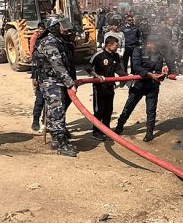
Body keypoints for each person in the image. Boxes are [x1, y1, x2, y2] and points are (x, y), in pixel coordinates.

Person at [32, 14, 78, 157]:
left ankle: (57, 139)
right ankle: (61, 143)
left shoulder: (59, 41)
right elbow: (57, 65)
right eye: (61, 25)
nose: (64, 28)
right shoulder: (49, 43)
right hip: (50, 82)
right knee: (57, 112)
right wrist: (69, 82)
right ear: (54, 27)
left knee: (56, 111)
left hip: (58, 81)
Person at [114, 36, 166, 142]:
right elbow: (136, 66)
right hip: (139, 84)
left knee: (151, 111)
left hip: (152, 86)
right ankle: (119, 127)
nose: (153, 47)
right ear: (148, 43)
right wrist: (148, 73)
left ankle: (149, 133)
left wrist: (159, 75)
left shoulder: (159, 54)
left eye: (155, 45)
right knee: (128, 106)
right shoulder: (138, 50)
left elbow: (158, 68)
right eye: (152, 44)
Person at [86, 36, 127, 141]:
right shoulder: (98, 55)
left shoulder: (116, 56)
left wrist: (128, 76)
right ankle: (96, 132)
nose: (117, 48)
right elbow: (88, 67)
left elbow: (118, 69)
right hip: (99, 87)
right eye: (116, 46)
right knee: (99, 110)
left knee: (108, 110)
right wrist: (96, 75)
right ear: (109, 45)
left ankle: (106, 130)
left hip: (110, 87)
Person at [29, 22, 46, 132]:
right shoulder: (37, 40)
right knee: (39, 101)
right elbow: (35, 61)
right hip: (41, 77)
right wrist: (35, 77)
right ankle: (35, 121)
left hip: (53, 79)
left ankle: (46, 122)